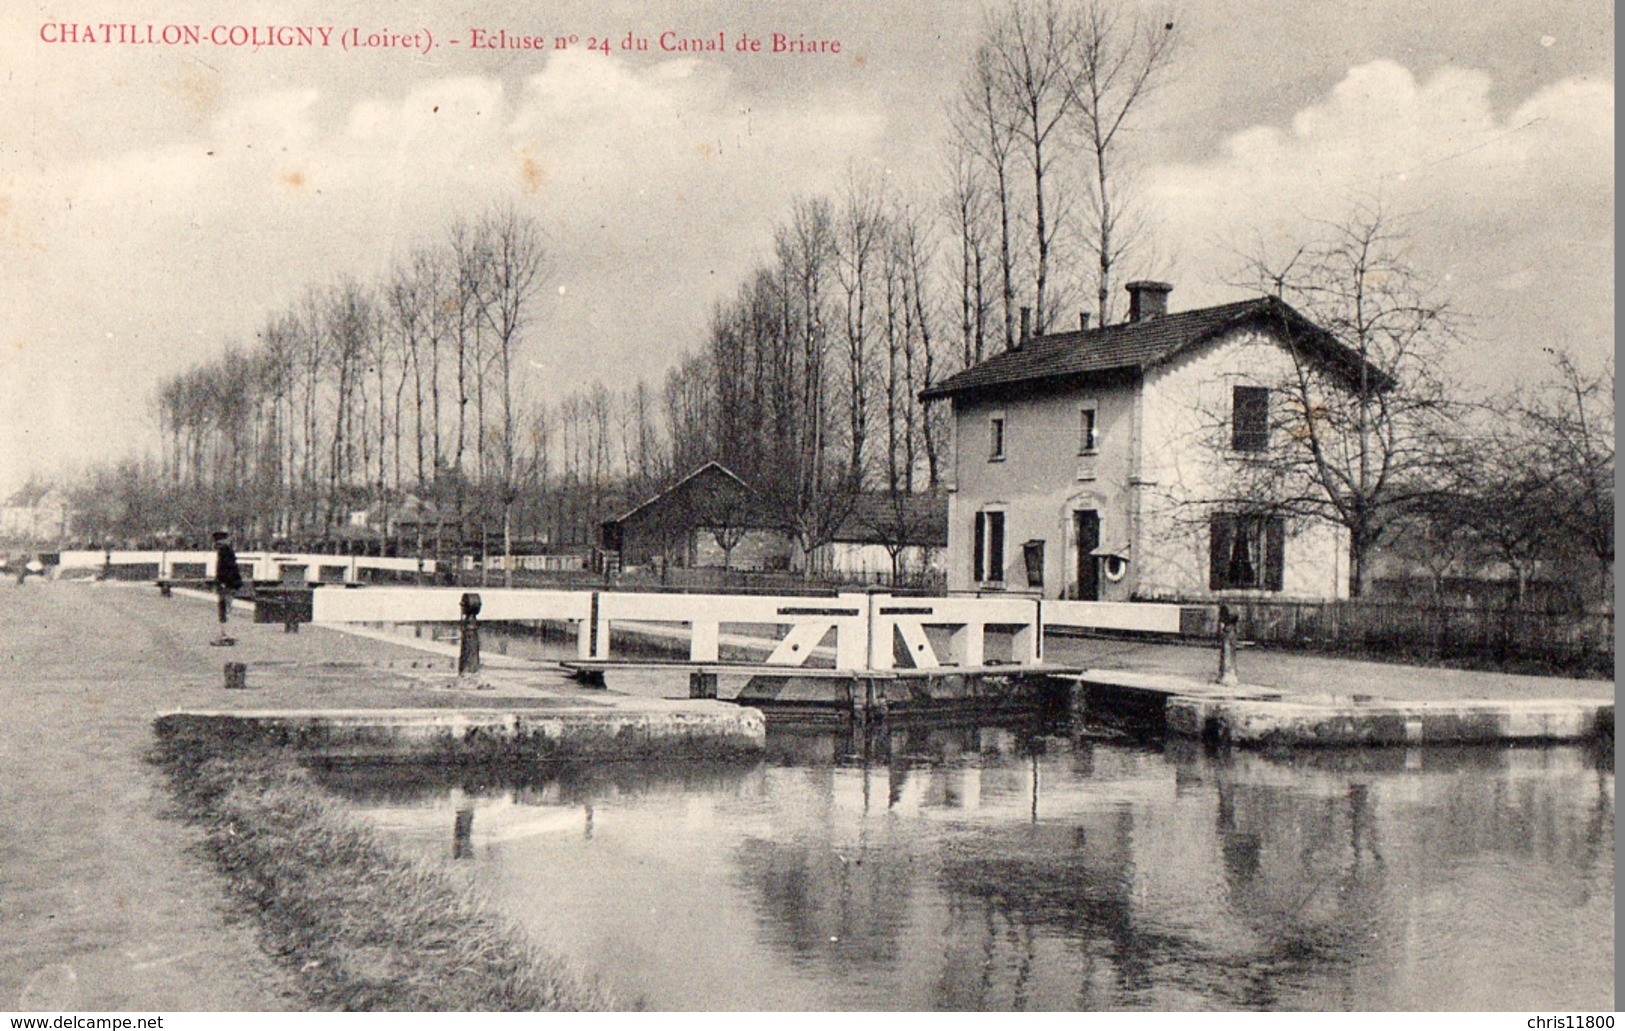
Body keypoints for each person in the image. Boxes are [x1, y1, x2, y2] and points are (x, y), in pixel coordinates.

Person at [212, 530, 243, 644]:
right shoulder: (227, 551)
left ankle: (225, 633)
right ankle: (225, 633)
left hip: (226, 584)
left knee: (224, 608)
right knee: (226, 608)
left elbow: (223, 570)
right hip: (229, 584)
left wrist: (221, 582)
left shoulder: (223, 551)